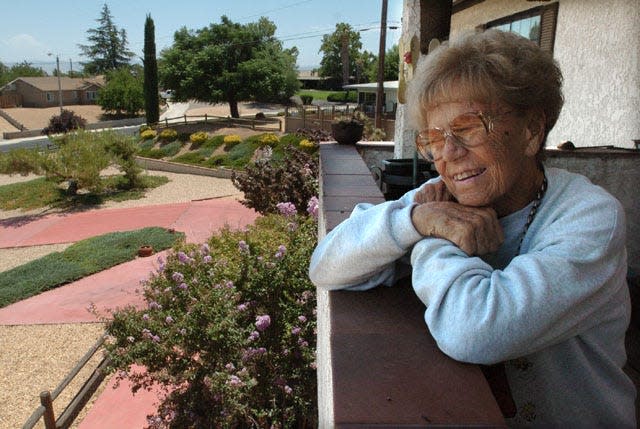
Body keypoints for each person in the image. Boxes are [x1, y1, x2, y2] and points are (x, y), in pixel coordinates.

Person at [309, 29, 636, 427]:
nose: (448, 155)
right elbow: (325, 265)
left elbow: (477, 331)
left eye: (467, 129)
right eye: (434, 139)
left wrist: (430, 240)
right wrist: (415, 221)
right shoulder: (440, 199)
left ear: (531, 131)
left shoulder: (590, 218)